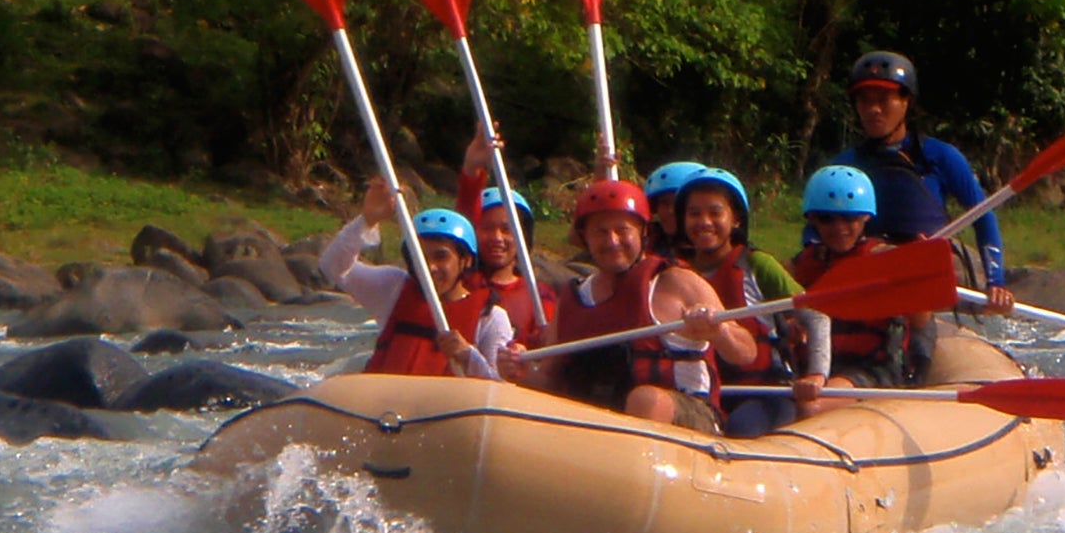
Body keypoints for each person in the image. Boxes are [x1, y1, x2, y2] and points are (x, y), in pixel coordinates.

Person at [499, 179, 762, 428]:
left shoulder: (677, 281)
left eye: (622, 230)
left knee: (646, 400)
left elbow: (746, 352)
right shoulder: (573, 299)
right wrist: (519, 372)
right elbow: (549, 378)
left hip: (689, 417)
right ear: (586, 239)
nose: (612, 241)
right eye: (601, 232)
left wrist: (719, 331)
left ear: (642, 232)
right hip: (599, 426)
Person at [840, 51, 1015, 314]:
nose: (873, 109)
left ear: (906, 102)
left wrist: (995, 282)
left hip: (928, 278)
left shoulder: (941, 157)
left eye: (884, 99)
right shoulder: (844, 167)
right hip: (871, 278)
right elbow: (816, 231)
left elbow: (983, 216)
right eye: (865, 101)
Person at [672, 168, 817, 434]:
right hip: (705, 392)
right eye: (694, 214)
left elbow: (816, 315)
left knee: (739, 428)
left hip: (767, 392)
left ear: (736, 219)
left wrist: (817, 375)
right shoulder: (677, 274)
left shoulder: (757, 265)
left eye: (715, 212)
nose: (704, 222)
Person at [322, 183, 508, 378]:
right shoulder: (393, 288)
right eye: (420, 257)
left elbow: (500, 391)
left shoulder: (491, 318)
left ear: (466, 261)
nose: (429, 267)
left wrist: (469, 357)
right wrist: (367, 221)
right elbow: (332, 266)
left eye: (441, 256)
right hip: (384, 406)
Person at [791, 164, 929, 388]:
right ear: (813, 219)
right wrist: (790, 324)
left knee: (812, 404)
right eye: (827, 218)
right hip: (820, 368)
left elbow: (921, 320)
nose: (839, 227)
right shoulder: (800, 265)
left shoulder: (887, 259)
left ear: (865, 217)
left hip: (874, 369)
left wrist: (919, 273)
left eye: (850, 218)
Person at [457, 133, 559, 344]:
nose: (497, 238)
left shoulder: (539, 296)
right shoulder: (462, 283)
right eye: (487, 228)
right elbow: (464, 220)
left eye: (506, 229)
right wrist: (471, 168)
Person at [641, 161, 711, 261]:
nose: (671, 211)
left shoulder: (716, 253)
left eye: (677, 203)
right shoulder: (649, 241)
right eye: (664, 203)